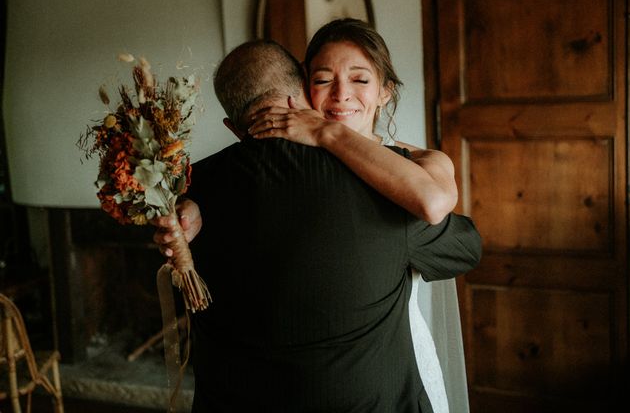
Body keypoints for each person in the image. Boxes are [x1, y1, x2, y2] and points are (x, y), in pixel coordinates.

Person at [157, 39, 481, 412]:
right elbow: (465, 249)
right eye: (326, 81)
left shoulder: (188, 188)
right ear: (304, 97)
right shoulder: (385, 183)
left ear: (232, 126)